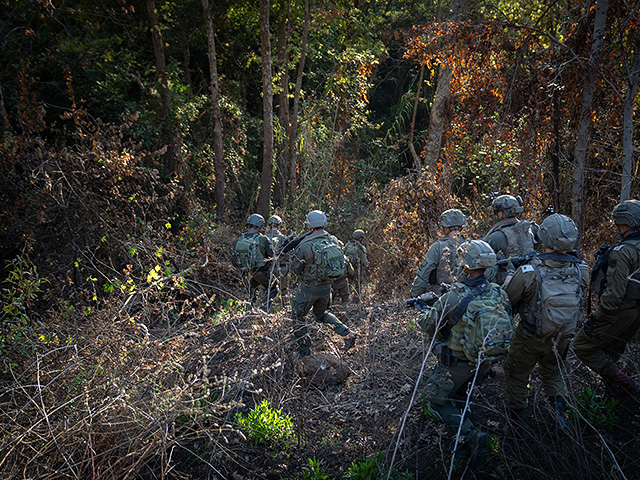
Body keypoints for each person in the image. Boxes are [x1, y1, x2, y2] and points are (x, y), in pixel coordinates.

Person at [418, 239, 513, 463]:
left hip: (457, 363)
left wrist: (423, 308)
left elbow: (428, 325)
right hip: (484, 362)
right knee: (460, 395)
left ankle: (470, 434)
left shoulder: (454, 296)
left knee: (433, 402)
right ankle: (462, 439)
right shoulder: (499, 293)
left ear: (466, 266)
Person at [503, 214, 589, 436]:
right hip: (562, 336)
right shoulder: (582, 270)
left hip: (530, 335)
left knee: (517, 373)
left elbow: (509, 303)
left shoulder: (529, 271)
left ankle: (517, 422)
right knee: (553, 372)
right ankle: (560, 417)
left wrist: (510, 276)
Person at [573, 199, 640, 397]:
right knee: (610, 350)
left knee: (582, 346)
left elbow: (614, 295)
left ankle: (628, 385)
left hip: (620, 312)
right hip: (636, 313)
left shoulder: (623, 252)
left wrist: (597, 318)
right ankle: (614, 394)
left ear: (625, 223)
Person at [291, 210, 357, 357]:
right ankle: (347, 333)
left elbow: (295, 269)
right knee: (321, 314)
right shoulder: (334, 240)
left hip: (309, 289)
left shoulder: (304, 245)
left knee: (298, 317)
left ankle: (305, 353)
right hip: (327, 288)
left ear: (309, 225)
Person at [410, 209, 466, 297]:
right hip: (466, 295)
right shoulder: (471, 246)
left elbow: (422, 275)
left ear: (445, 228)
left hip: (442, 296)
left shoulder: (438, 247)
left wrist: (414, 296)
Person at [483, 195, 537, 284]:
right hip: (531, 278)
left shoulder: (497, 236)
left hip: (508, 282)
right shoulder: (529, 228)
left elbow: (483, 259)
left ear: (502, 213)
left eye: (497, 212)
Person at [232, 214, 278, 312]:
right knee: (274, 288)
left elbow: (234, 258)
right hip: (261, 272)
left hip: (246, 272)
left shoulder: (240, 239)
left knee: (251, 292)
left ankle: (249, 311)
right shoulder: (263, 239)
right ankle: (263, 308)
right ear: (260, 226)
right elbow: (272, 257)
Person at [265, 215, 291, 299]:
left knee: (267, 289)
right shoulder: (284, 238)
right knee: (283, 291)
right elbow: (289, 256)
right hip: (282, 268)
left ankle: (266, 306)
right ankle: (283, 307)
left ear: (269, 226)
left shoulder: (264, 238)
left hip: (267, 268)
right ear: (279, 225)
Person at [344, 229, 370, 303]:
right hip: (357, 269)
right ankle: (356, 301)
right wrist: (366, 266)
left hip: (348, 268)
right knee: (358, 285)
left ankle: (346, 300)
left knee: (348, 284)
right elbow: (365, 261)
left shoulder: (347, 245)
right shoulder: (361, 248)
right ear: (360, 238)